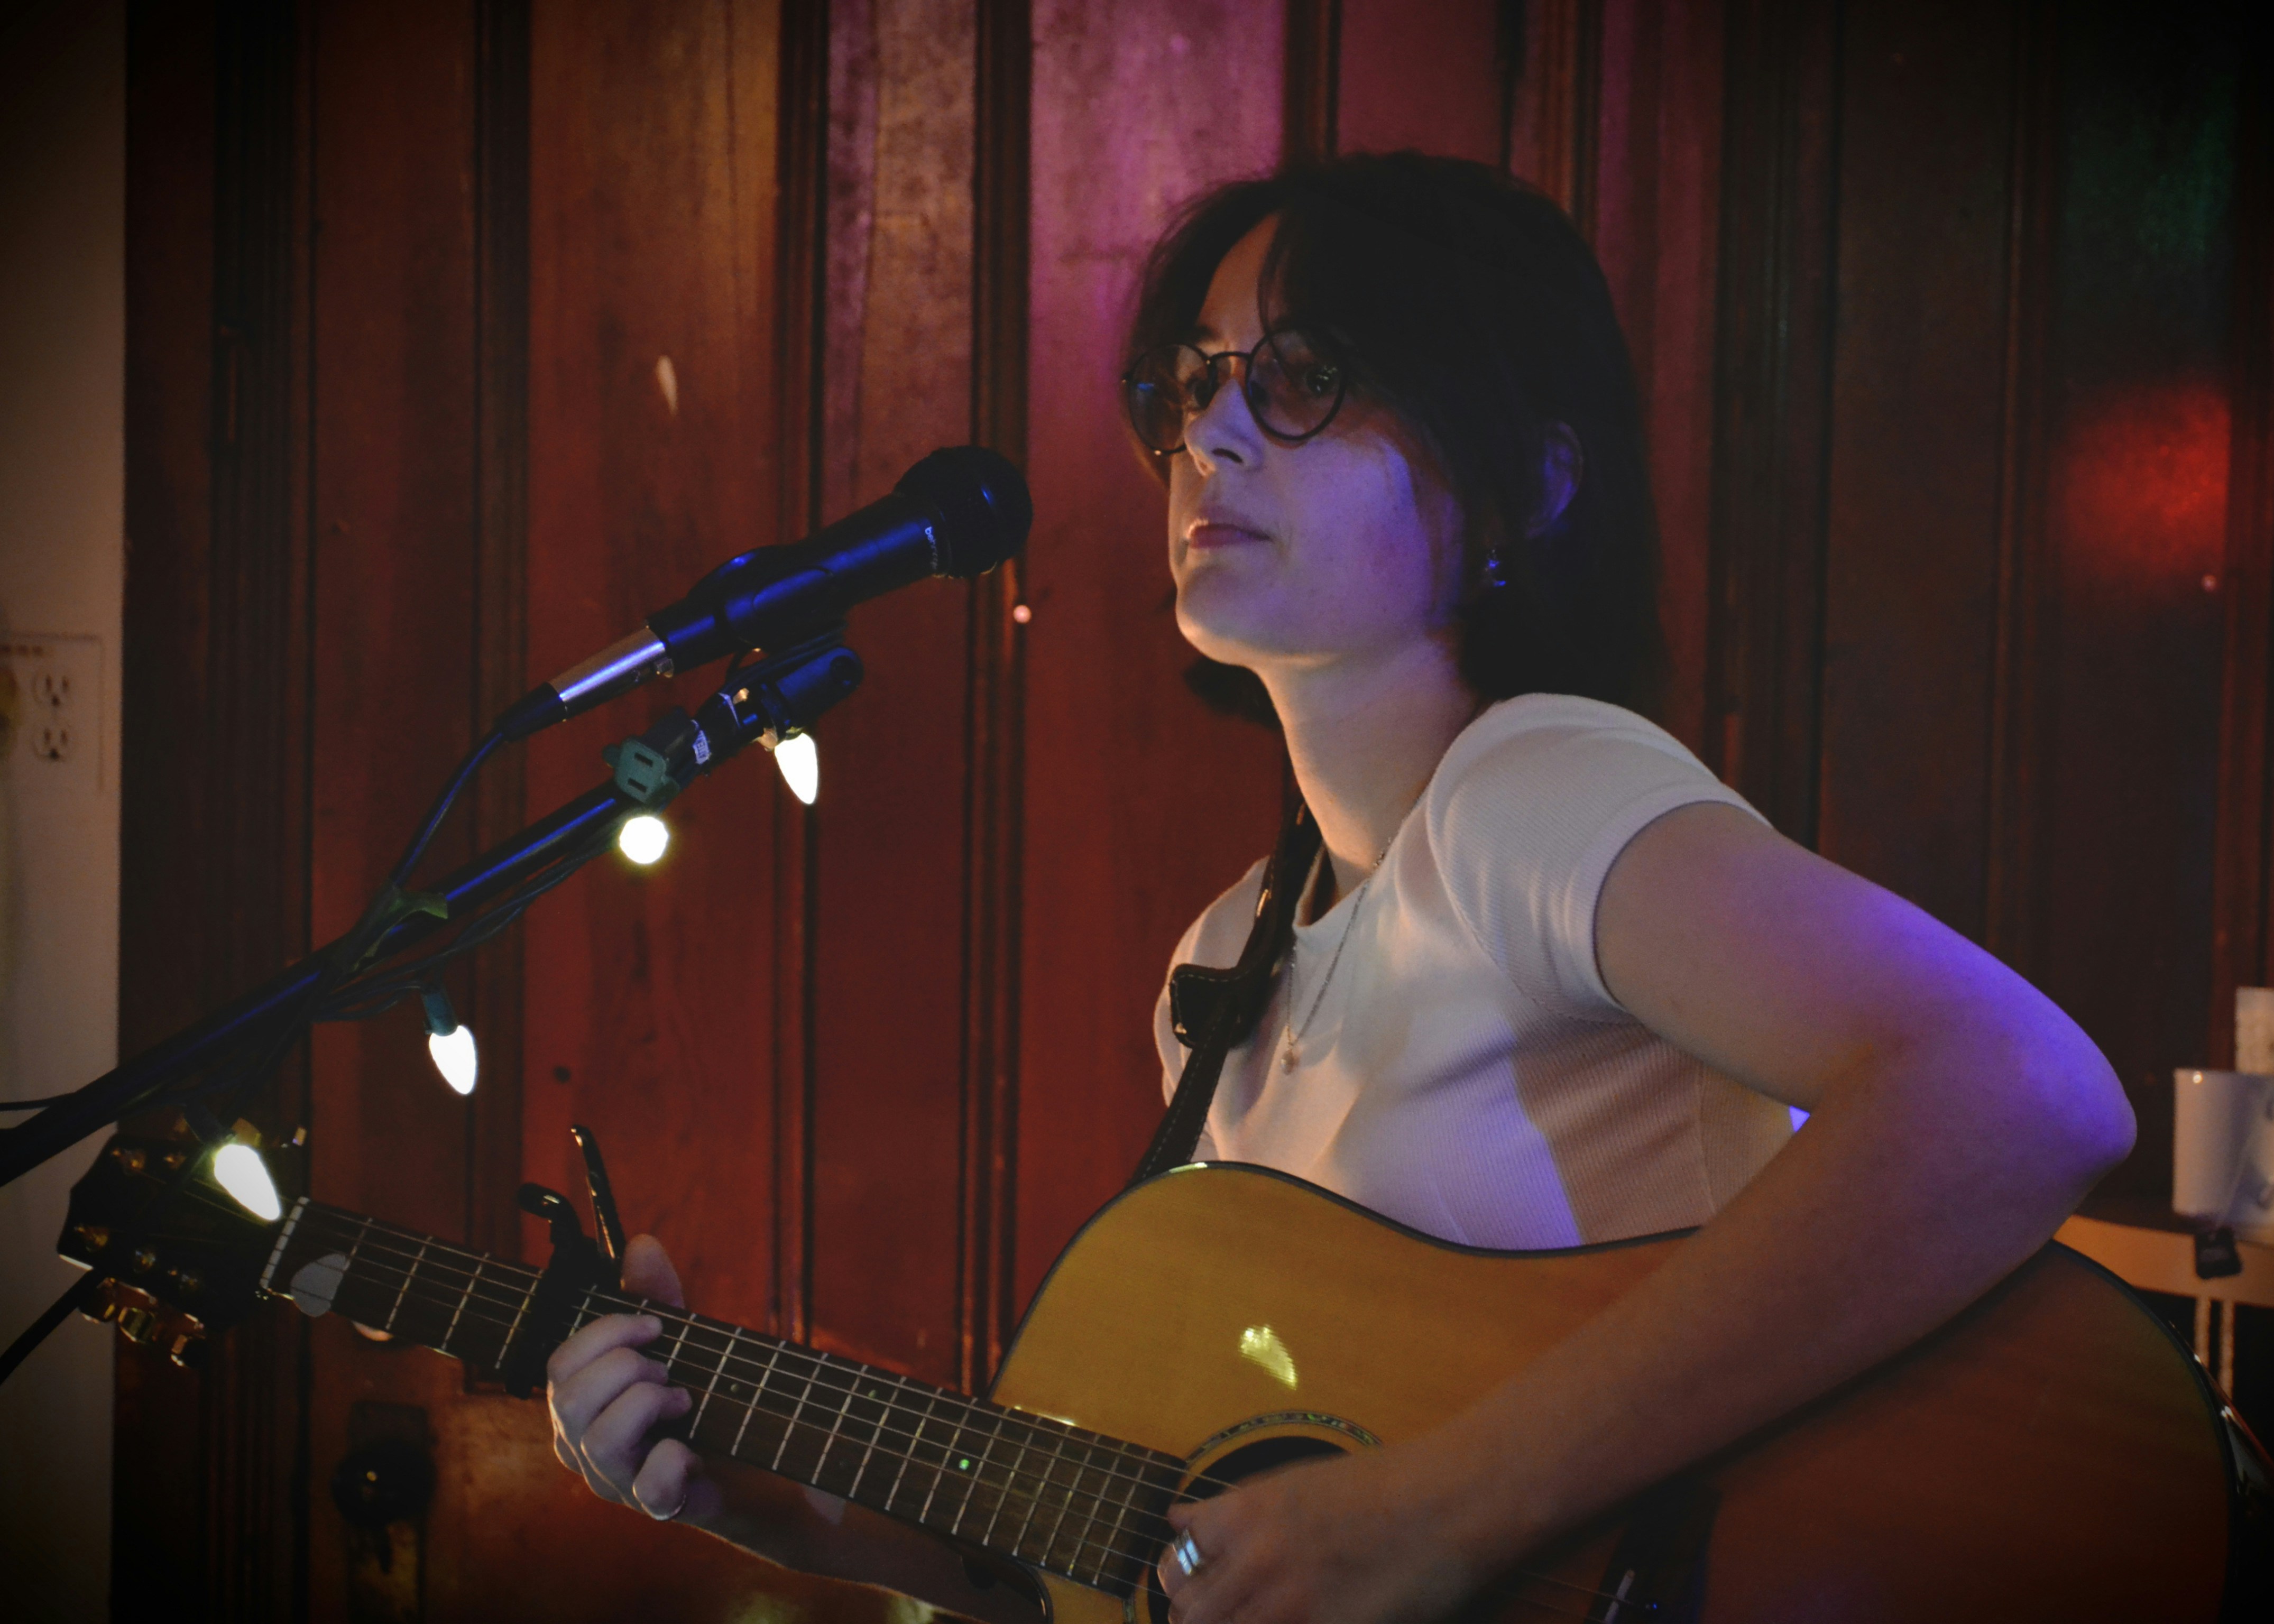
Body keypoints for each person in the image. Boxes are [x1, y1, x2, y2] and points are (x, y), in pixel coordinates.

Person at [544, 152, 2133, 1624]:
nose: (1210, 436)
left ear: (1531, 482)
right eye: (1191, 385)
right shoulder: (1228, 965)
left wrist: (1445, 1513)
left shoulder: (1531, 795)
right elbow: (1179, 1559)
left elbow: (2023, 1091)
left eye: (1305, 379)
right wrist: (780, 1509)